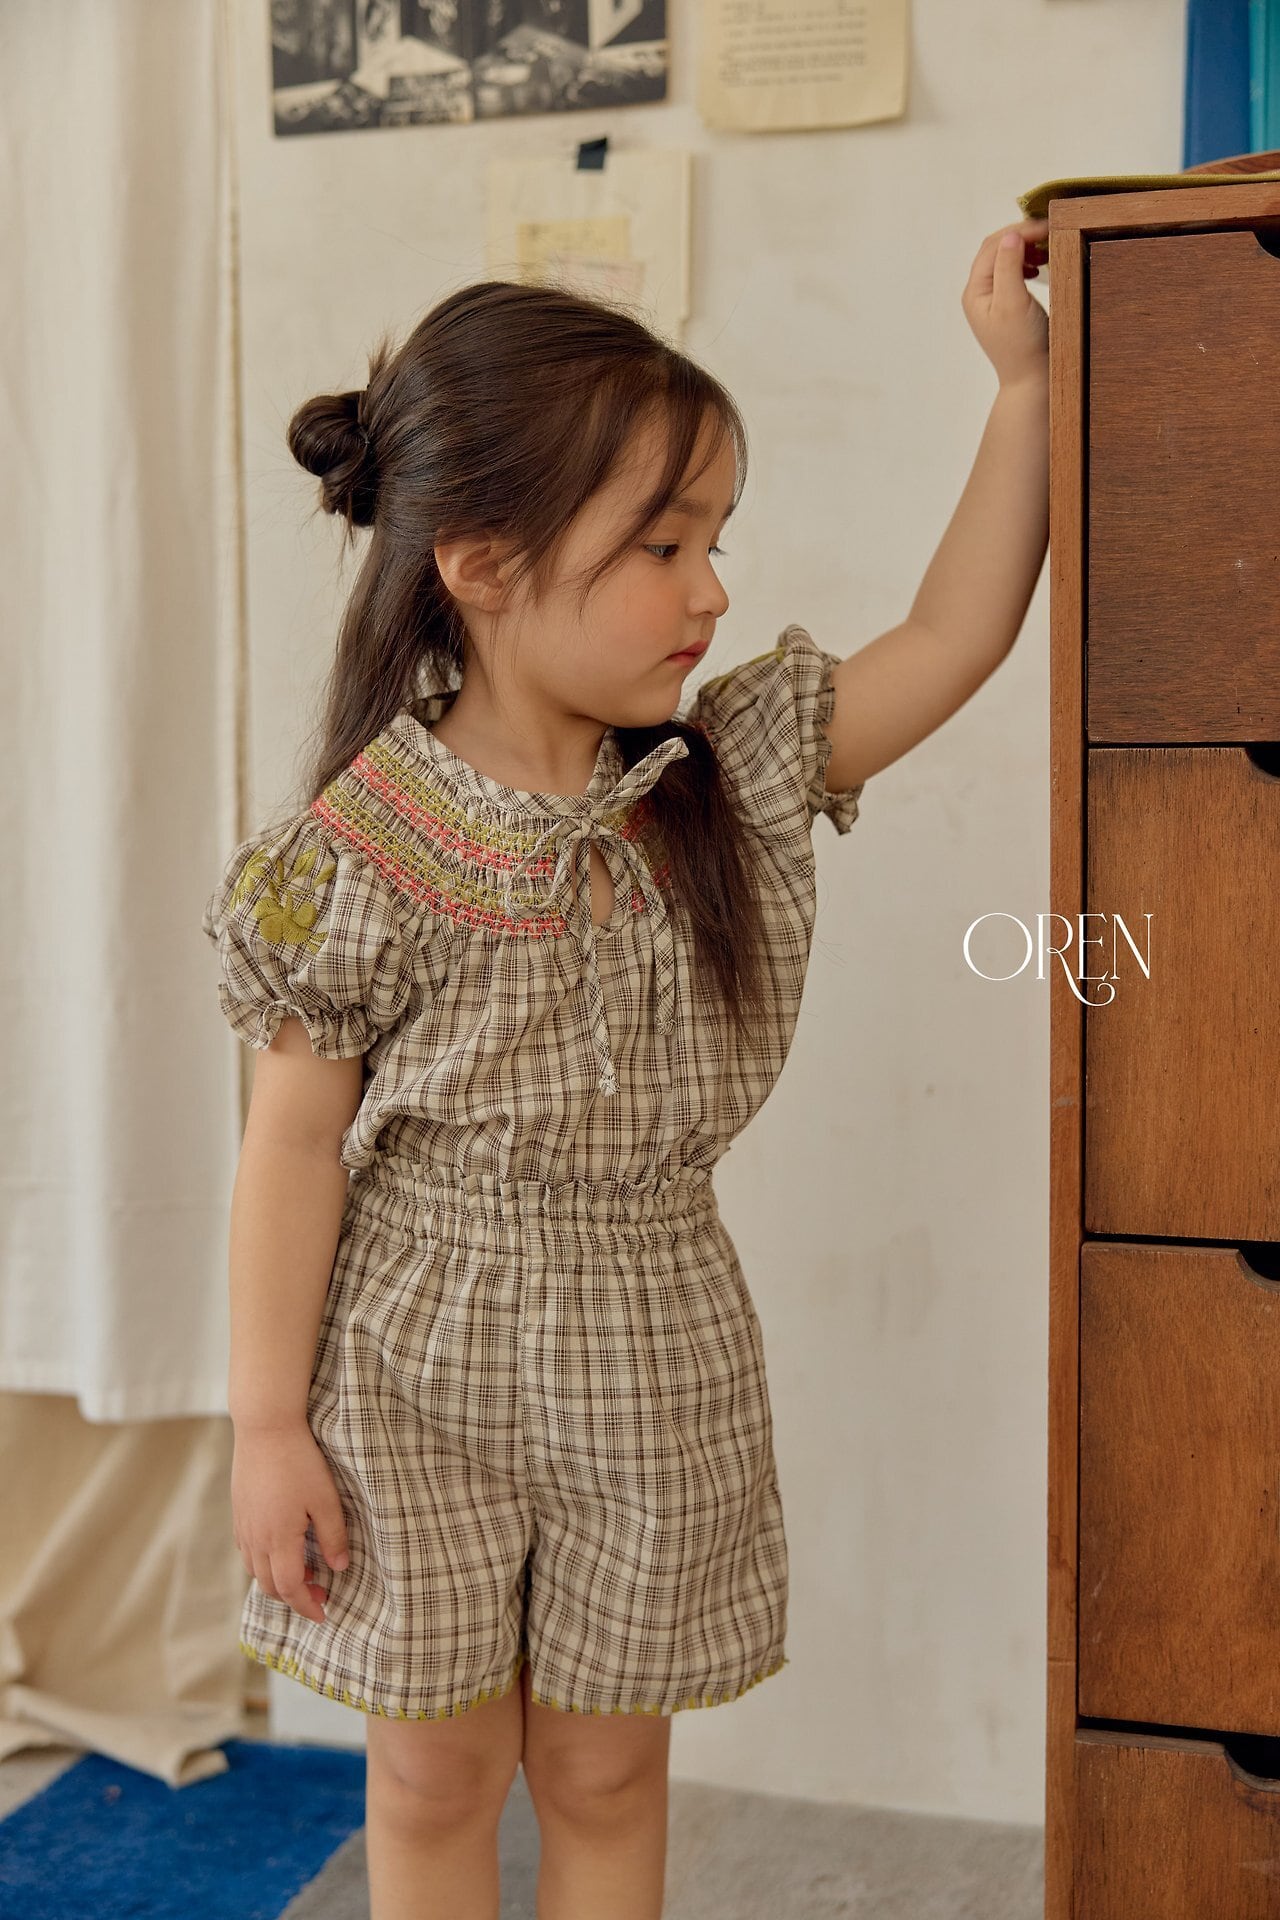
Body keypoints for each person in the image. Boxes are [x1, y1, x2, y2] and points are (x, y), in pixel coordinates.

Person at [202, 220, 1050, 1920]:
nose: (711, 589)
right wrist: (267, 1423)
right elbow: (289, 1150)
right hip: (411, 1358)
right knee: (433, 1775)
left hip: (656, 1338)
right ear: (479, 561)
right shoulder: (355, 849)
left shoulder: (721, 777)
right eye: (663, 545)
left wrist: (1025, 391)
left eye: (715, 539)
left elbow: (953, 635)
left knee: (603, 1772)